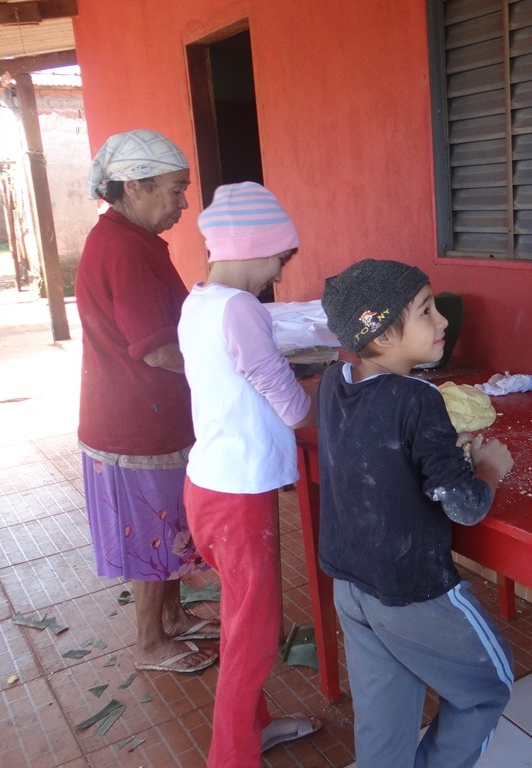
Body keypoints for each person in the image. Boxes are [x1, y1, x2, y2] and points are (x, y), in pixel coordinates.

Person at [317, 258, 516, 768]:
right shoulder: (419, 399)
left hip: (352, 585)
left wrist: (445, 454)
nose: (443, 321)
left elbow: (377, 457)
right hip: (413, 591)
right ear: (381, 336)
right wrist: (489, 468)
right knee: (489, 686)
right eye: (426, 310)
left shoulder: (333, 384)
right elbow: (465, 507)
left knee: (384, 725)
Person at [178, 182, 321, 766]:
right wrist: (329, 397)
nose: (277, 275)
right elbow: (289, 403)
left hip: (209, 485)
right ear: (258, 249)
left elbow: (245, 377)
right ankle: (231, 758)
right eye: (280, 261)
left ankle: (253, 728)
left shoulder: (199, 301)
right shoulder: (241, 309)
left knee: (243, 621)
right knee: (253, 637)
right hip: (238, 497)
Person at [77, 129, 219, 675]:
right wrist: (226, 367)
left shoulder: (131, 241)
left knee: (169, 528)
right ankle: (149, 643)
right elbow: (157, 350)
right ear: (135, 186)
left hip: (150, 415)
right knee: (153, 533)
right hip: (135, 422)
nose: (184, 203)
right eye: (176, 189)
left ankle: (174, 621)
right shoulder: (122, 248)